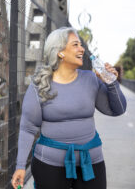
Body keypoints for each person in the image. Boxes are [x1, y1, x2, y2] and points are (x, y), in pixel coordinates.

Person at [11, 27, 127, 189]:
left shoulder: (90, 79)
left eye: (81, 44)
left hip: (91, 164)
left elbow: (118, 109)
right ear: (60, 52)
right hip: (49, 165)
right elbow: (28, 128)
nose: (82, 49)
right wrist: (20, 166)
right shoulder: (39, 84)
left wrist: (112, 83)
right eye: (75, 44)